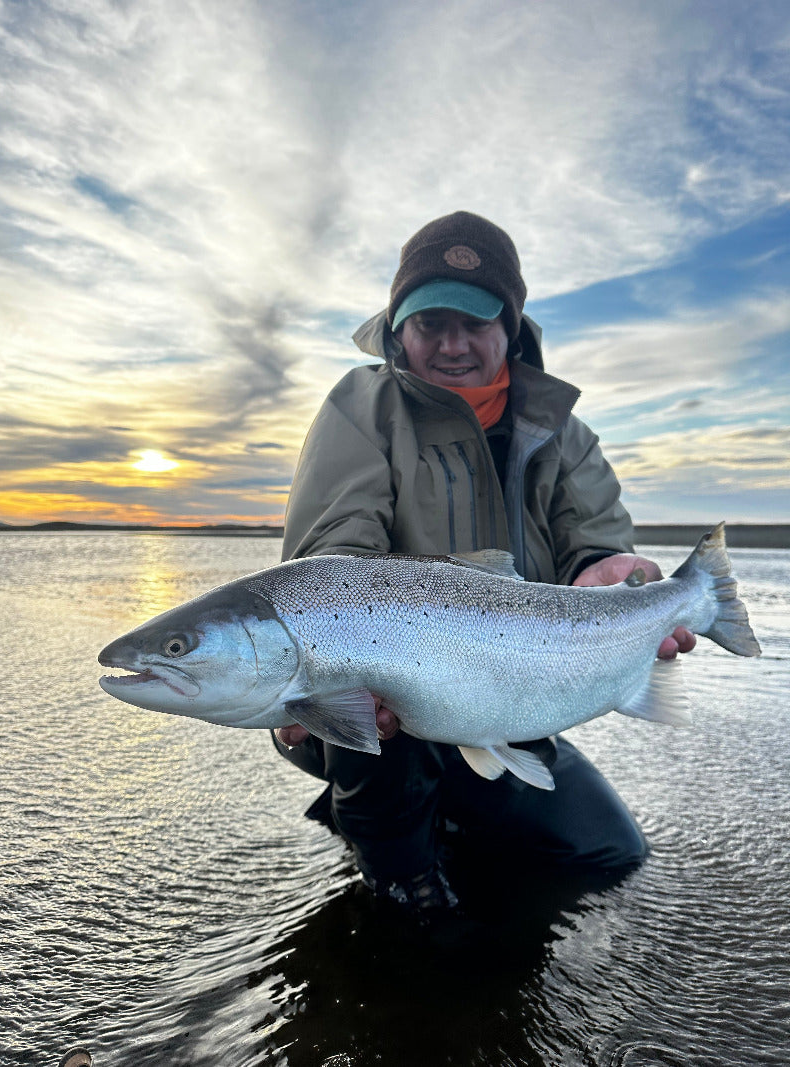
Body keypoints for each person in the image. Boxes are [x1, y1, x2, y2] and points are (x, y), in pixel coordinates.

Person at [272, 211, 695, 910]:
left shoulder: (565, 434)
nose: (452, 343)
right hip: (378, 716)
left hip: (509, 697)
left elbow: (596, 539)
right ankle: (395, 868)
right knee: (375, 696)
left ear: (512, 326)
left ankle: (450, 816)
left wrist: (611, 571)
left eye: (473, 321)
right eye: (431, 321)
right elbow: (334, 555)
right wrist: (314, 670)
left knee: (611, 852)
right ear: (397, 326)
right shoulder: (362, 404)